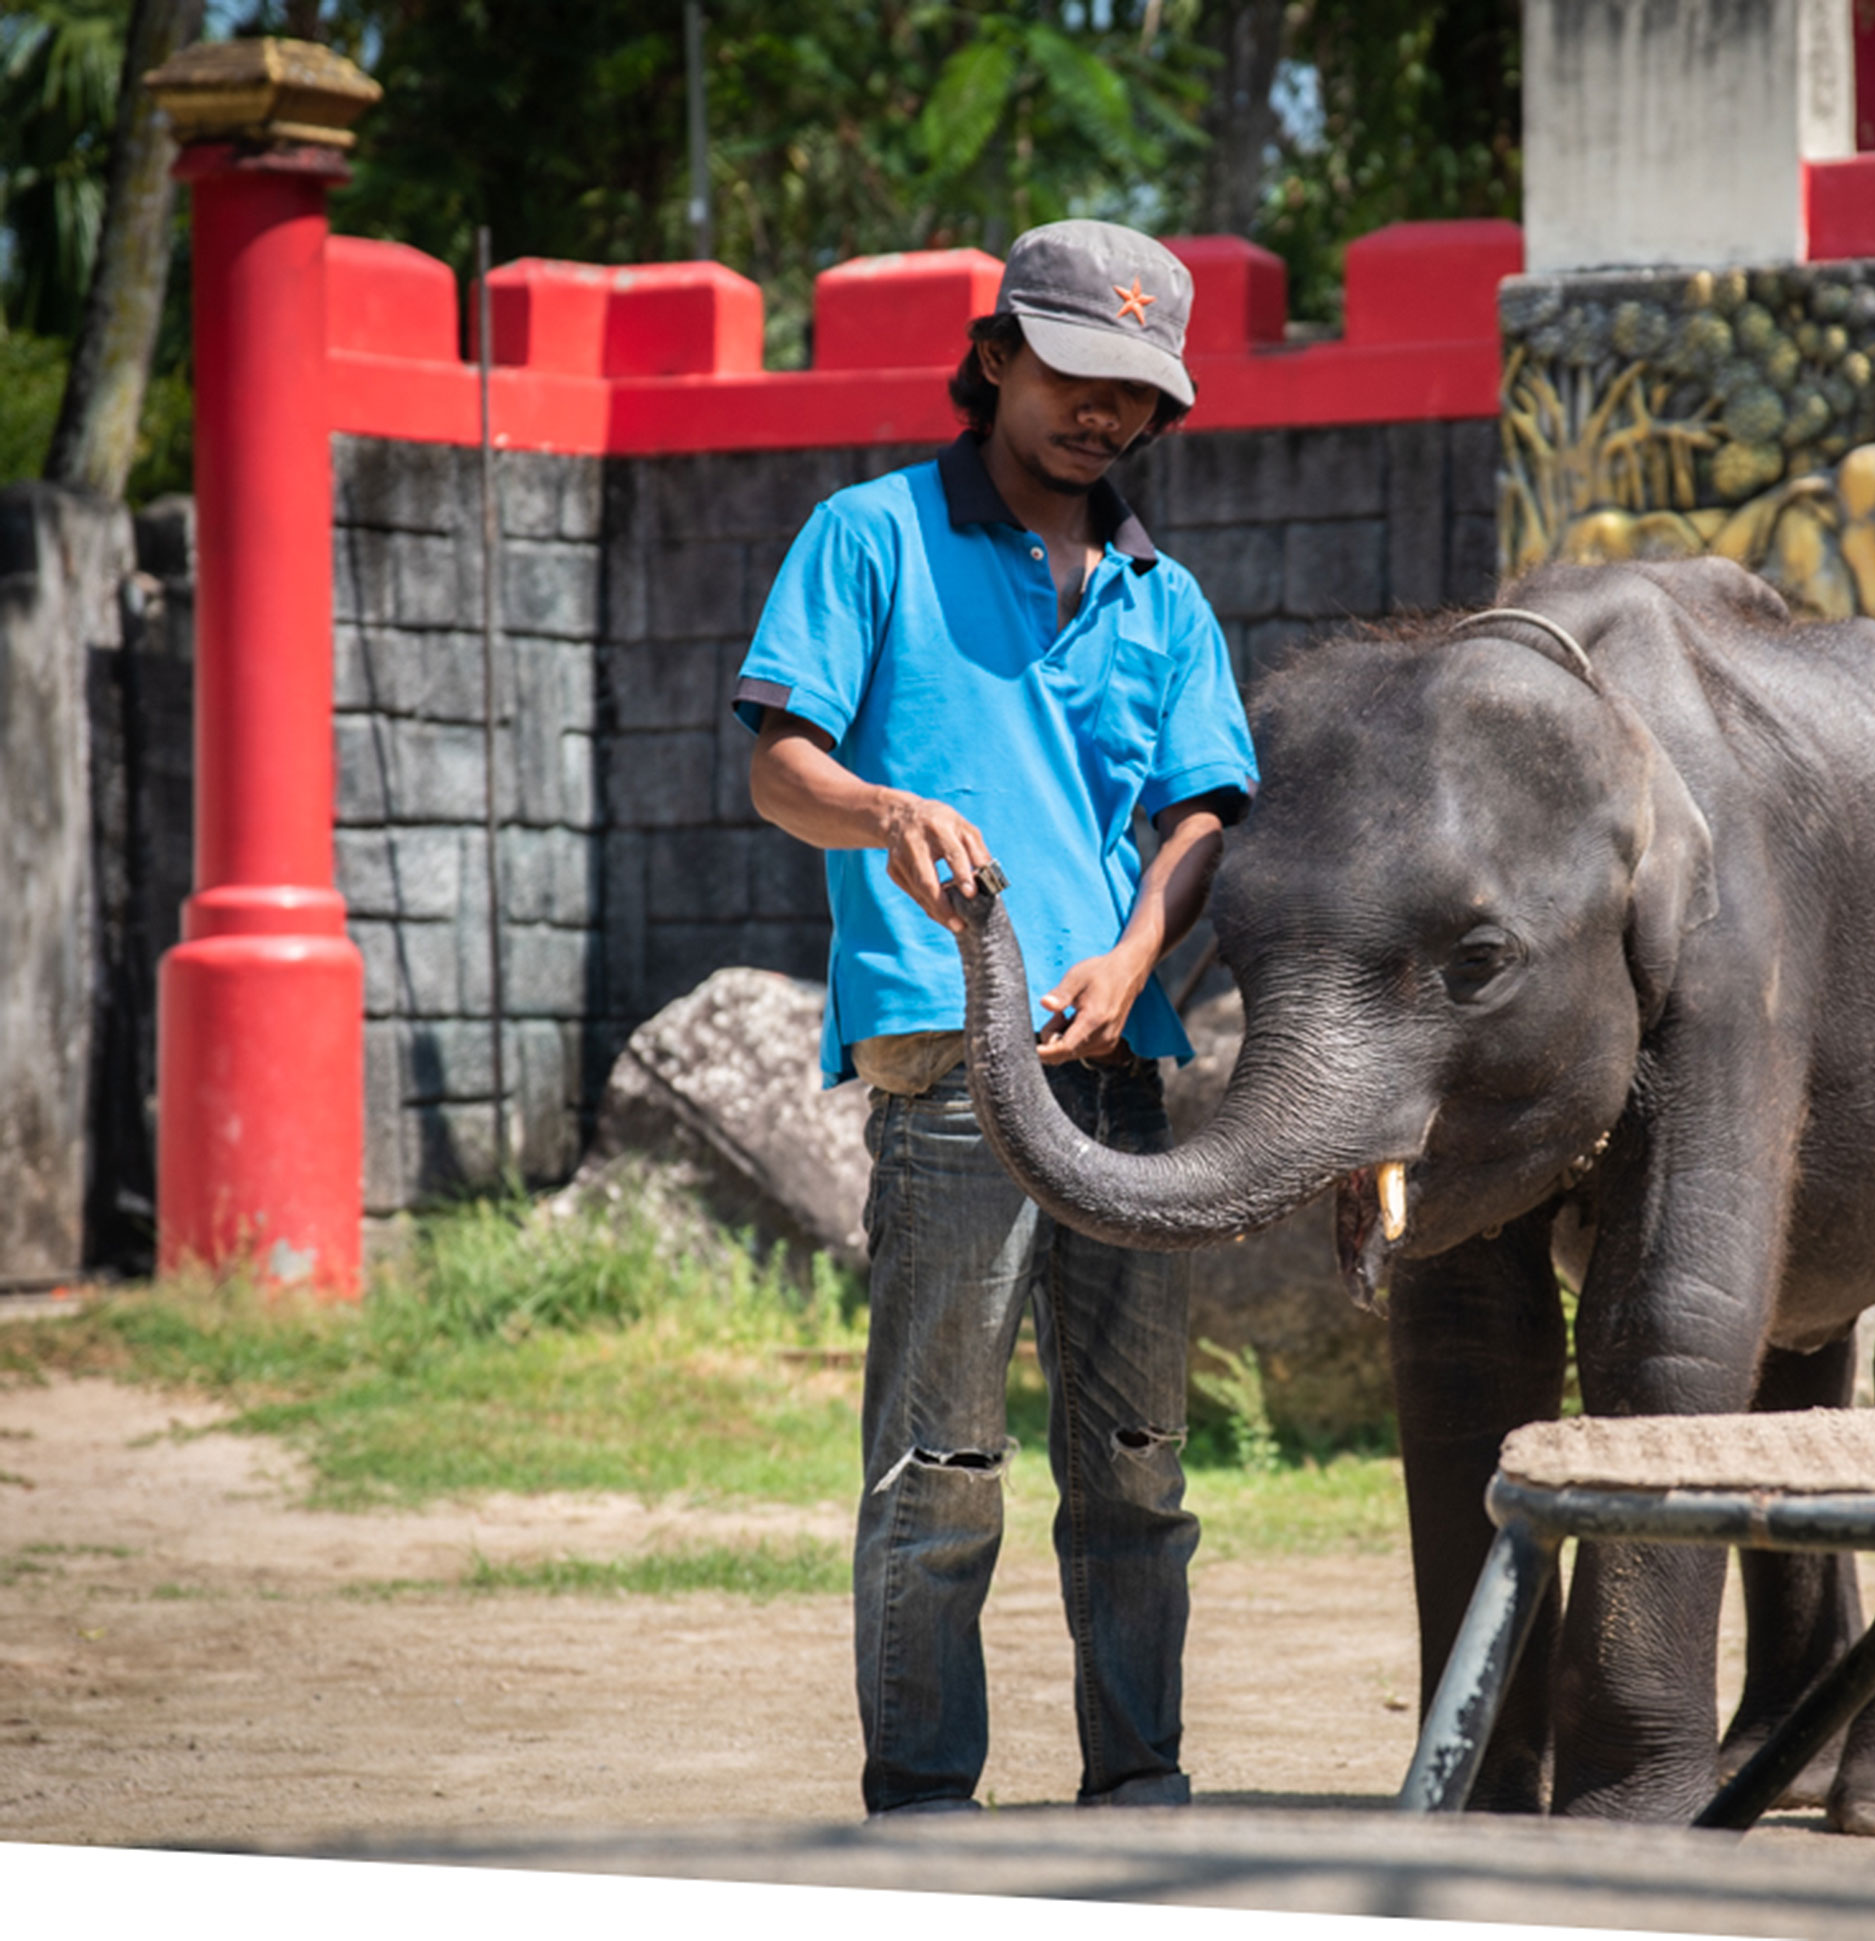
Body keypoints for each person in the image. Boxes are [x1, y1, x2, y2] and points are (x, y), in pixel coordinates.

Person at [731, 219, 1256, 1815]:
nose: (1104, 414)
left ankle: (1141, 1789)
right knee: (941, 1465)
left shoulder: (1167, 597)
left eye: (1137, 393)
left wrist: (1137, 947)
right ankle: (925, 1803)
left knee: (1142, 1468)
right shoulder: (868, 535)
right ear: (997, 357)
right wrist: (882, 808)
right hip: (953, 1069)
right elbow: (778, 765)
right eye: (1076, 373)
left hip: (1122, 1076)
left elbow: (1200, 811)